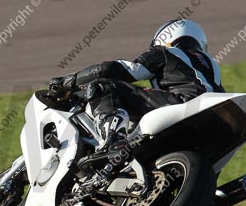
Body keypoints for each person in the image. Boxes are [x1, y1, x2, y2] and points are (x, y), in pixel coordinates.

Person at [49, 19, 224, 156]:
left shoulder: (164, 52)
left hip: (184, 105)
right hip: (214, 121)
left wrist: (70, 81)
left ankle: (114, 141)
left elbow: (116, 70)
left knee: (104, 86)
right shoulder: (210, 65)